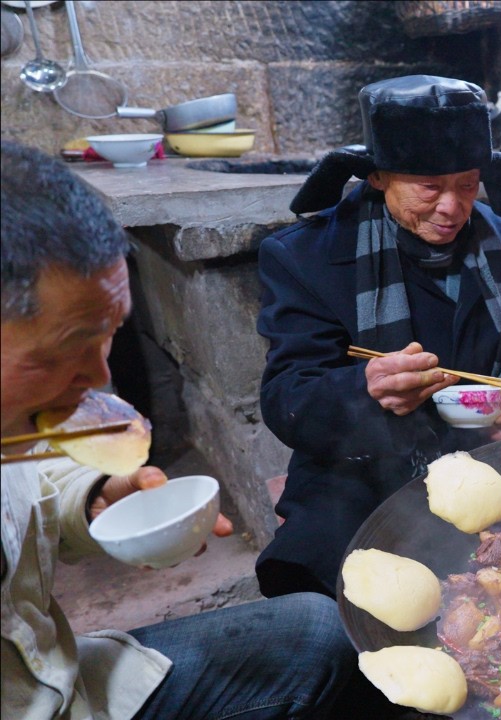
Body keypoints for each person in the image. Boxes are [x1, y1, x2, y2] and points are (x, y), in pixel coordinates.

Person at [0, 140, 354, 719]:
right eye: (67, 349)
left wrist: (91, 499)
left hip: (71, 686)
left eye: (109, 333)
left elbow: (35, 474)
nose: (100, 378)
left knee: (320, 628)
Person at [255, 75, 501, 599]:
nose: (452, 207)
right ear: (379, 176)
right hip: (363, 469)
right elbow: (286, 397)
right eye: (430, 187)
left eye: (468, 183)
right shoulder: (305, 257)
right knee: (322, 599)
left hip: (490, 455)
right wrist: (366, 389)